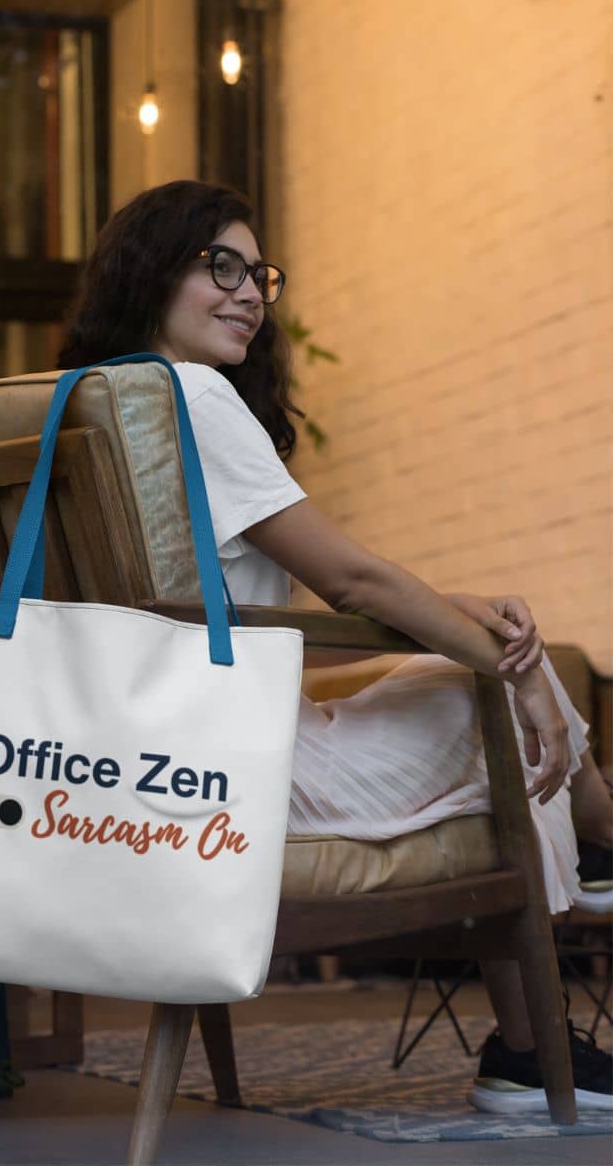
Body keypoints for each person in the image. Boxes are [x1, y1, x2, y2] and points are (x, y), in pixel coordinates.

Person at [59, 179, 612, 1113]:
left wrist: (453, 621)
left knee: (471, 670)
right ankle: (571, 929)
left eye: (258, 275)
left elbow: (251, 625)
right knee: (509, 691)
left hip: (126, 752)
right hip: (231, 770)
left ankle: (555, 971)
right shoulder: (189, 395)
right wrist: (506, 666)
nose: (248, 294)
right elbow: (350, 583)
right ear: (151, 272)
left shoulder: (86, 406)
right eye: (219, 266)